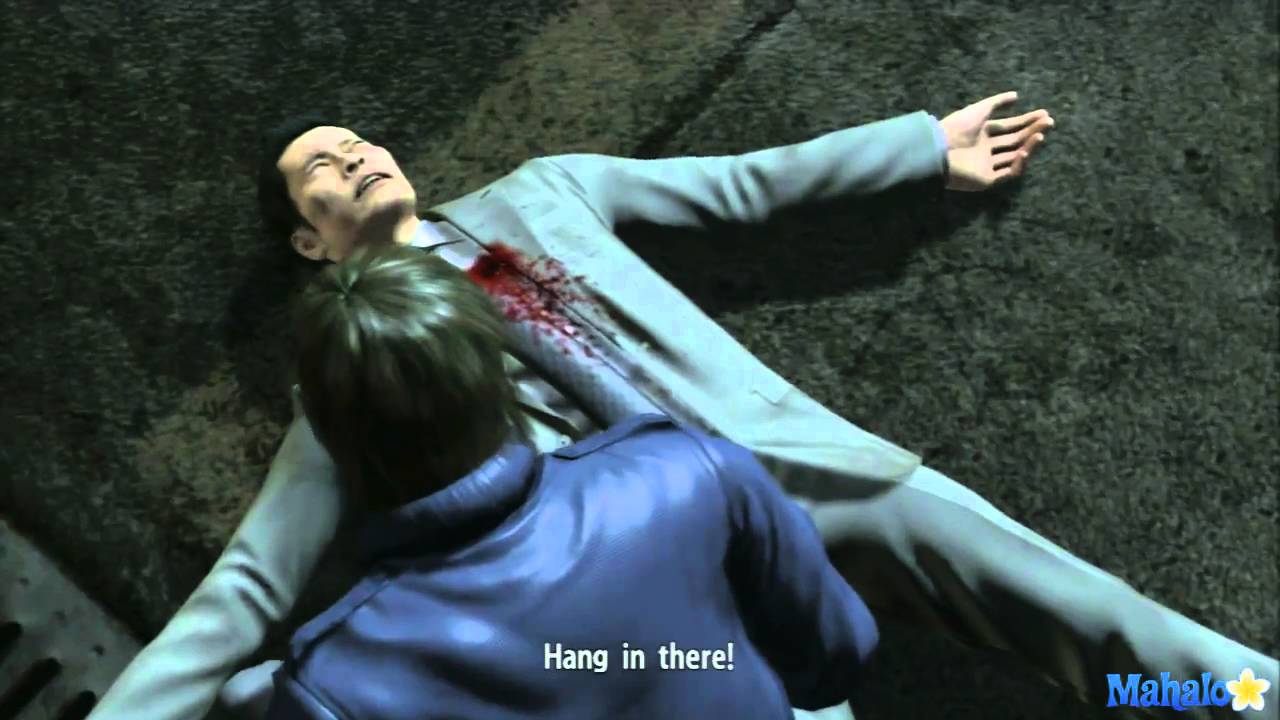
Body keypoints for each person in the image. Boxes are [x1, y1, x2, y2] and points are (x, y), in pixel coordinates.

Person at [88, 90, 1277, 720]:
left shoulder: (540, 195)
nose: (353, 157)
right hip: (667, 594)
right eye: (321, 168)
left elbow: (739, 186)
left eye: (356, 140)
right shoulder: (353, 374)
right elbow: (246, 588)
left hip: (802, 472)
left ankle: (1243, 701)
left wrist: (918, 149)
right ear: (308, 242)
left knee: (1097, 623)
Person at [256, 244, 880, 719]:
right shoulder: (688, 468)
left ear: (326, 430)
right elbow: (834, 658)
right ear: (496, 370)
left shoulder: (335, 684)